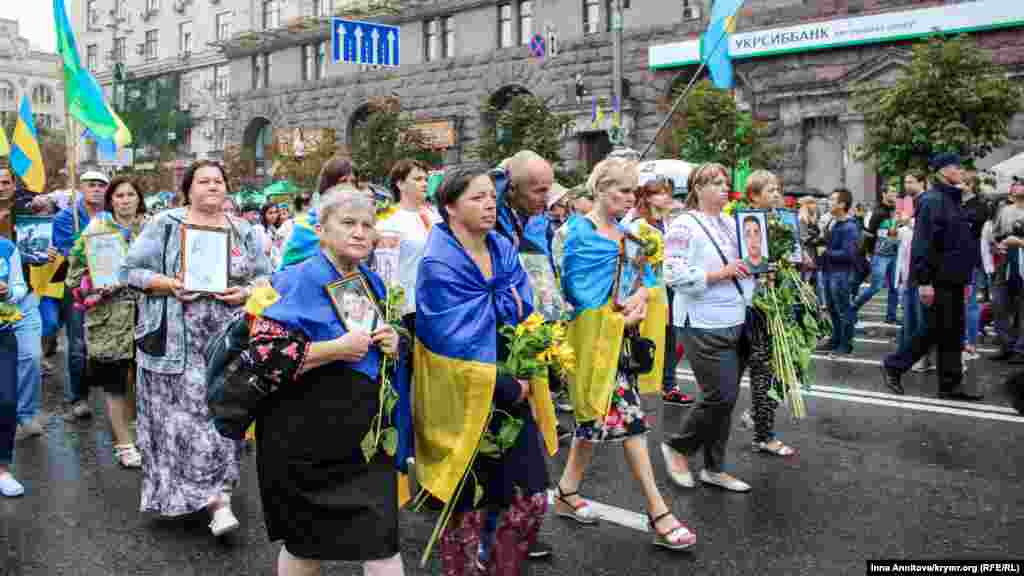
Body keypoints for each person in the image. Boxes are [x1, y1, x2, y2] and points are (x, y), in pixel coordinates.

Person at [247, 185, 404, 576]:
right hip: (305, 439)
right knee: (306, 547)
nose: (359, 232)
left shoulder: (370, 281)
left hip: (364, 440)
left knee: (383, 545)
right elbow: (265, 359)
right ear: (321, 229)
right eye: (348, 223)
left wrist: (393, 339)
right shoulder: (292, 281)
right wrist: (335, 349)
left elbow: (378, 338)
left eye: (367, 225)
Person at [416, 166, 556, 574]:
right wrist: (503, 383)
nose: (489, 204)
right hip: (465, 396)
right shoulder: (438, 264)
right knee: (468, 509)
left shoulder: (503, 249)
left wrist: (534, 360)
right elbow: (448, 345)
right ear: (450, 207)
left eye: (490, 196)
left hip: (515, 387)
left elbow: (525, 312)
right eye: (476, 197)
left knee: (529, 498)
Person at [122, 160, 271, 535]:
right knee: (184, 423)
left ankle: (220, 494)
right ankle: (207, 499)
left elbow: (268, 277)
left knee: (223, 414)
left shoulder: (244, 230)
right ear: (188, 189)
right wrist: (168, 284)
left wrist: (248, 291)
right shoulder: (166, 225)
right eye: (203, 181)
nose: (212, 187)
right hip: (176, 344)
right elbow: (130, 273)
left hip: (229, 342)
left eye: (218, 181)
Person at [558, 158, 696, 551]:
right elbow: (576, 293)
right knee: (632, 424)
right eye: (620, 190)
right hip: (593, 343)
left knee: (593, 421)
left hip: (621, 345)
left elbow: (646, 281)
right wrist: (621, 309)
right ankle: (659, 512)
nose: (628, 198)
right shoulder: (577, 233)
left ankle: (567, 491)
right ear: (600, 189)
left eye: (632, 192)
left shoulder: (631, 234)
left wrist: (639, 299)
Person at [661, 162, 754, 495]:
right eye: (714, 182)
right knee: (720, 396)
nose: (723, 187)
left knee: (725, 402)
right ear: (697, 188)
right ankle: (679, 447)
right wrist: (721, 273)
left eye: (725, 181)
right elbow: (673, 275)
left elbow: (747, 266)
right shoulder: (684, 224)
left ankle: (715, 468)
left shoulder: (732, 223)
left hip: (737, 319)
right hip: (702, 322)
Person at [882, 153, 981, 400]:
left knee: (952, 332)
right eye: (956, 167)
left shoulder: (952, 199)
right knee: (935, 329)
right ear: (944, 171)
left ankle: (950, 386)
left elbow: (964, 238)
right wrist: (924, 282)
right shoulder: (932, 200)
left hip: (955, 278)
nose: (961, 171)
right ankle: (894, 365)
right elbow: (923, 244)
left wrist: (966, 279)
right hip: (938, 279)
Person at [66, 176, 146, 468]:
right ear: (111, 201)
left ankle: (137, 432)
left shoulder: (150, 229)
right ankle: (123, 445)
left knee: (141, 380)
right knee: (115, 384)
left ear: (139, 198)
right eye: (119, 195)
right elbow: (73, 278)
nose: (125, 200)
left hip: (147, 317)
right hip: (109, 319)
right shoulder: (95, 230)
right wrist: (97, 284)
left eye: (130, 194)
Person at [738, 170, 795, 456]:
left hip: (778, 302)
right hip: (755, 306)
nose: (776, 193)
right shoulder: (743, 223)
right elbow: (745, 260)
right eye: (769, 189)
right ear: (753, 196)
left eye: (777, 188)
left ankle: (757, 414)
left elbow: (789, 258)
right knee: (762, 370)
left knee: (789, 366)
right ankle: (764, 434)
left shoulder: (782, 221)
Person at [623, 178, 691, 406]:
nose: (667, 197)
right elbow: (634, 262)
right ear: (648, 197)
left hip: (671, 288)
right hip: (648, 289)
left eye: (668, 193)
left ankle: (668, 384)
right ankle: (636, 386)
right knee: (644, 337)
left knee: (671, 337)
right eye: (661, 193)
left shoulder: (671, 223)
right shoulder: (638, 225)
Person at [53, 170, 111, 421]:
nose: (96, 189)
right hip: (78, 286)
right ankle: (78, 398)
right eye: (91, 185)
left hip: (109, 286)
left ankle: (114, 396)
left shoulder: (112, 215)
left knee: (111, 342)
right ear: (82, 188)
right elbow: (68, 252)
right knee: (77, 344)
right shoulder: (66, 217)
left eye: (101, 185)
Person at [0, 167, 44, 441]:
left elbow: (41, 247)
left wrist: (44, 252)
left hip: (23, 297)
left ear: (14, 185)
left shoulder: (31, 212)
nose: (1, 186)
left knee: (31, 356)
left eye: (6, 181)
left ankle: (25, 413)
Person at [375, 159, 440, 330]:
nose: (424, 183)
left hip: (438, 301)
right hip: (408, 307)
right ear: (400, 184)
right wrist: (392, 311)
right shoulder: (388, 221)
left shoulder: (435, 216)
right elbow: (385, 273)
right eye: (418, 179)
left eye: (426, 179)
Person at [894, 171, 933, 372]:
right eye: (905, 181)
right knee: (909, 317)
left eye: (910, 181)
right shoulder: (909, 201)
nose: (906, 184)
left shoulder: (926, 201)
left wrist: (908, 222)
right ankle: (909, 356)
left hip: (921, 272)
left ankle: (923, 358)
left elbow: (927, 233)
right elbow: (900, 235)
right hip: (909, 269)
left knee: (920, 319)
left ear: (922, 182)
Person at [815, 188, 861, 356]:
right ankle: (835, 339)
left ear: (842, 204)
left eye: (833, 199)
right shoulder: (834, 222)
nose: (829, 202)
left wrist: (826, 252)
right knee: (833, 308)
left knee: (843, 309)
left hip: (841, 274)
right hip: (829, 271)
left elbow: (849, 254)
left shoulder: (850, 227)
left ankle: (845, 344)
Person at [0, 234, 28, 496]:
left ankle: (3, 469)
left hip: (3, 333)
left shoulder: (7, 247)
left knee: (6, 401)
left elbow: (21, 288)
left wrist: (8, 291)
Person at [853, 183, 900, 324]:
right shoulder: (878, 212)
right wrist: (867, 253)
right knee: (876, 286)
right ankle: (853, 307)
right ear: (884, 194)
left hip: (893, 253)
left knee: (894, 287)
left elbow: (894, 233)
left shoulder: (895, 211)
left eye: (895, 192)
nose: (894, 194)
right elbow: (869, 233)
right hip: (879, 255)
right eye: (891, 191)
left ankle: (891, 316)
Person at [989, 176, 1024, 362]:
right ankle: (1007, 344)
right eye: (1017, 184)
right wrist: (996, 246)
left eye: (1022, 184)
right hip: (1006, 260)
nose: (1019, 186)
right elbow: (995, 235)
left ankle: (1020, 349)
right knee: (999, 303)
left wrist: (1020, 242)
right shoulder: (1004, 210)